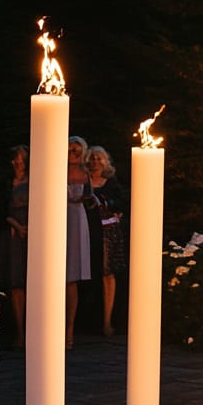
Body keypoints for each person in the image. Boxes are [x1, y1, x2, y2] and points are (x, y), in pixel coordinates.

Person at [0, 145, 30, 347]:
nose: (18, 162)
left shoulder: (35, 180)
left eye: (22, 159)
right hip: (11, 232)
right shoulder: (6, 183)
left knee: (32, 280)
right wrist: (16, 225)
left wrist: (29, 226)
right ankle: (19, 332)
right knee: (16, 282)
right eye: (15, 159)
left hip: (33, 230)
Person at [86, 145, 126, 337]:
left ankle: (107, 321)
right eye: (92, 158)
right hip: (86, 229)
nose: (95, 161)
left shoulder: (111, 183)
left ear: (105, 161)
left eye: (99, 158)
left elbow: (120, 202)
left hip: (107, 231)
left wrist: (103, 202)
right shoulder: (82, 181)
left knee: (107, 274)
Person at [66, 136, 94, 349]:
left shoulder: (85, 174)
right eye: (70, 149)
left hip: (77, 219)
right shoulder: (56, 169)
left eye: (77, 149)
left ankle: (69, 331)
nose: (73, 152)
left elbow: (91, 197)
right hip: (59, 217)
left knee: (72, 277)